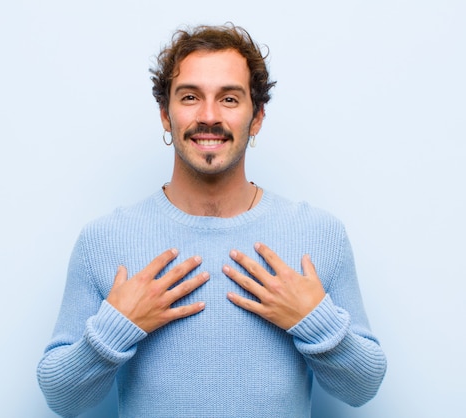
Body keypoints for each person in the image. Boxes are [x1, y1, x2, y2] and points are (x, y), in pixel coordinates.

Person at [37, 23, 386, 418]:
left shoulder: (320, 234)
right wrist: (117, 326)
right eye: (190, 97)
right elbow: (61, 400)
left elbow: (363, 388)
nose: (208, 116)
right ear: (166, 116)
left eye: (229, 99)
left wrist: (315, 321)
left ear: (256, 119)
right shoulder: (103, 240)